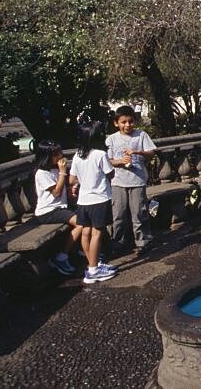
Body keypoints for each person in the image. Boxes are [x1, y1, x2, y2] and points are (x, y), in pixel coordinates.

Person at [69, 121, 118, 284]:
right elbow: (110, 174)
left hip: (83, 200)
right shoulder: (100, 154)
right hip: (99, 198)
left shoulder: (77, 155)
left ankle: (92, 266)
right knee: (97, 233)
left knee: (85, 232)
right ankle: (94, 269)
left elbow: (72, 178)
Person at [106, 105, 156, 255]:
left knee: (139, 213)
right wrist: (120, 162)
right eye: (124, 122)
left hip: (137, 180)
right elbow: (107, 160)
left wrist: (138, 152)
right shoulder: (111, 139)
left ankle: (143, 241)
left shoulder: (141, 136)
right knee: (118, 214)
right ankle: (118, 242)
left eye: (130, 121)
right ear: (117, 123)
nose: (127, 125)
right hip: (117, 182)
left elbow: (151, 153)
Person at [32, 139, 81, 276]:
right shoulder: (42, 173)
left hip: (60, 207)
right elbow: (56, 192)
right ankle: (61, 257)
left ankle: (79, 250)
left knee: (87, 214)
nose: (60, 157)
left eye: (60, 153)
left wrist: (71, 190)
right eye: (56, 154)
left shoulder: (54, 170)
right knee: (80, 223)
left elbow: (62, 191)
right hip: (48, 211)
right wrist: (62, 172)